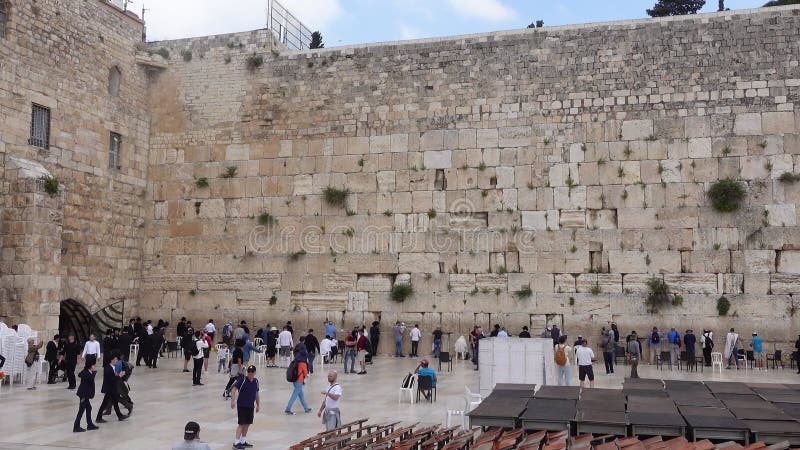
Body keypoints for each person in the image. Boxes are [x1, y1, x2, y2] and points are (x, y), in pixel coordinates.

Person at [230, 365, 260, 449]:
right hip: (242, 406)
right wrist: (232, 400)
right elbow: (233, 389)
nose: (250, 374)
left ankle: (243, 441)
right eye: (249, 372)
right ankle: (236, 442)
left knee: (247, 424)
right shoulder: (242, 380)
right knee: (241, 424)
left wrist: (258, 405)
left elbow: (257, 393)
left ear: (255, 373)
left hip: (250, 406)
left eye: (252, 372)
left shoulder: (256, 381)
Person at [96, 351, 126, 423]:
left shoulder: (112, 367)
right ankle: (98, 418)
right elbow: (111, 379)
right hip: (109, 389)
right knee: (105, 403)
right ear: (112, 360)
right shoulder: (108, 368)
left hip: (112, 388)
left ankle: (120, 416)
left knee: (115, 403)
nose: (117, 361)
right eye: (116, 359)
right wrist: (119, 376)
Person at [73, 361, 99, 432]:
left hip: (86, 395)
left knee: (89, 408)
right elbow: (90, 378)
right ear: (91, 366)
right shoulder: (87, 373)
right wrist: (94, 372)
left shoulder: (87, 372)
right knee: (81, 410)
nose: (95, 366)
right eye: (94, 365)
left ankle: (89, 424)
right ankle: (76, 426)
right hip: (83, 395)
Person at [285, 349, 311, 414]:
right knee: (295, 395)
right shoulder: (303, 363)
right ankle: (288, 408)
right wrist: (308, 375)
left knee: (301, 395)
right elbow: (305, 373)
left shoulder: (296, 361)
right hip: (299, 380)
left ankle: (306, 408)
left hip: (295, 380)